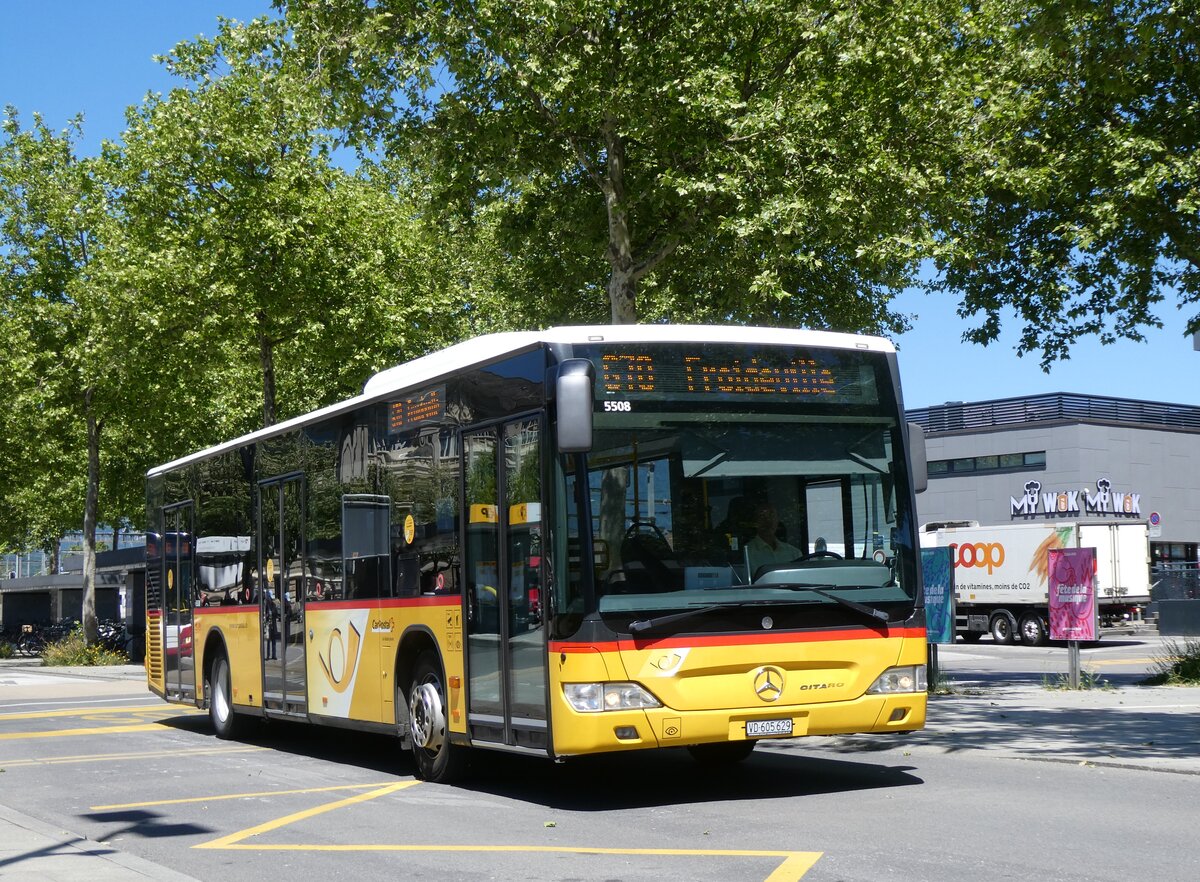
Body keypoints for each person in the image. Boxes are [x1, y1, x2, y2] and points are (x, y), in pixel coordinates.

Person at [746, 502, 802, 577]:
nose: (768, 521)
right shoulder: (747, 554)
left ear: (777, 520)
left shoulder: (794, 553)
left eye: (772, 516)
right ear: (755, 522)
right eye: (762, 517)